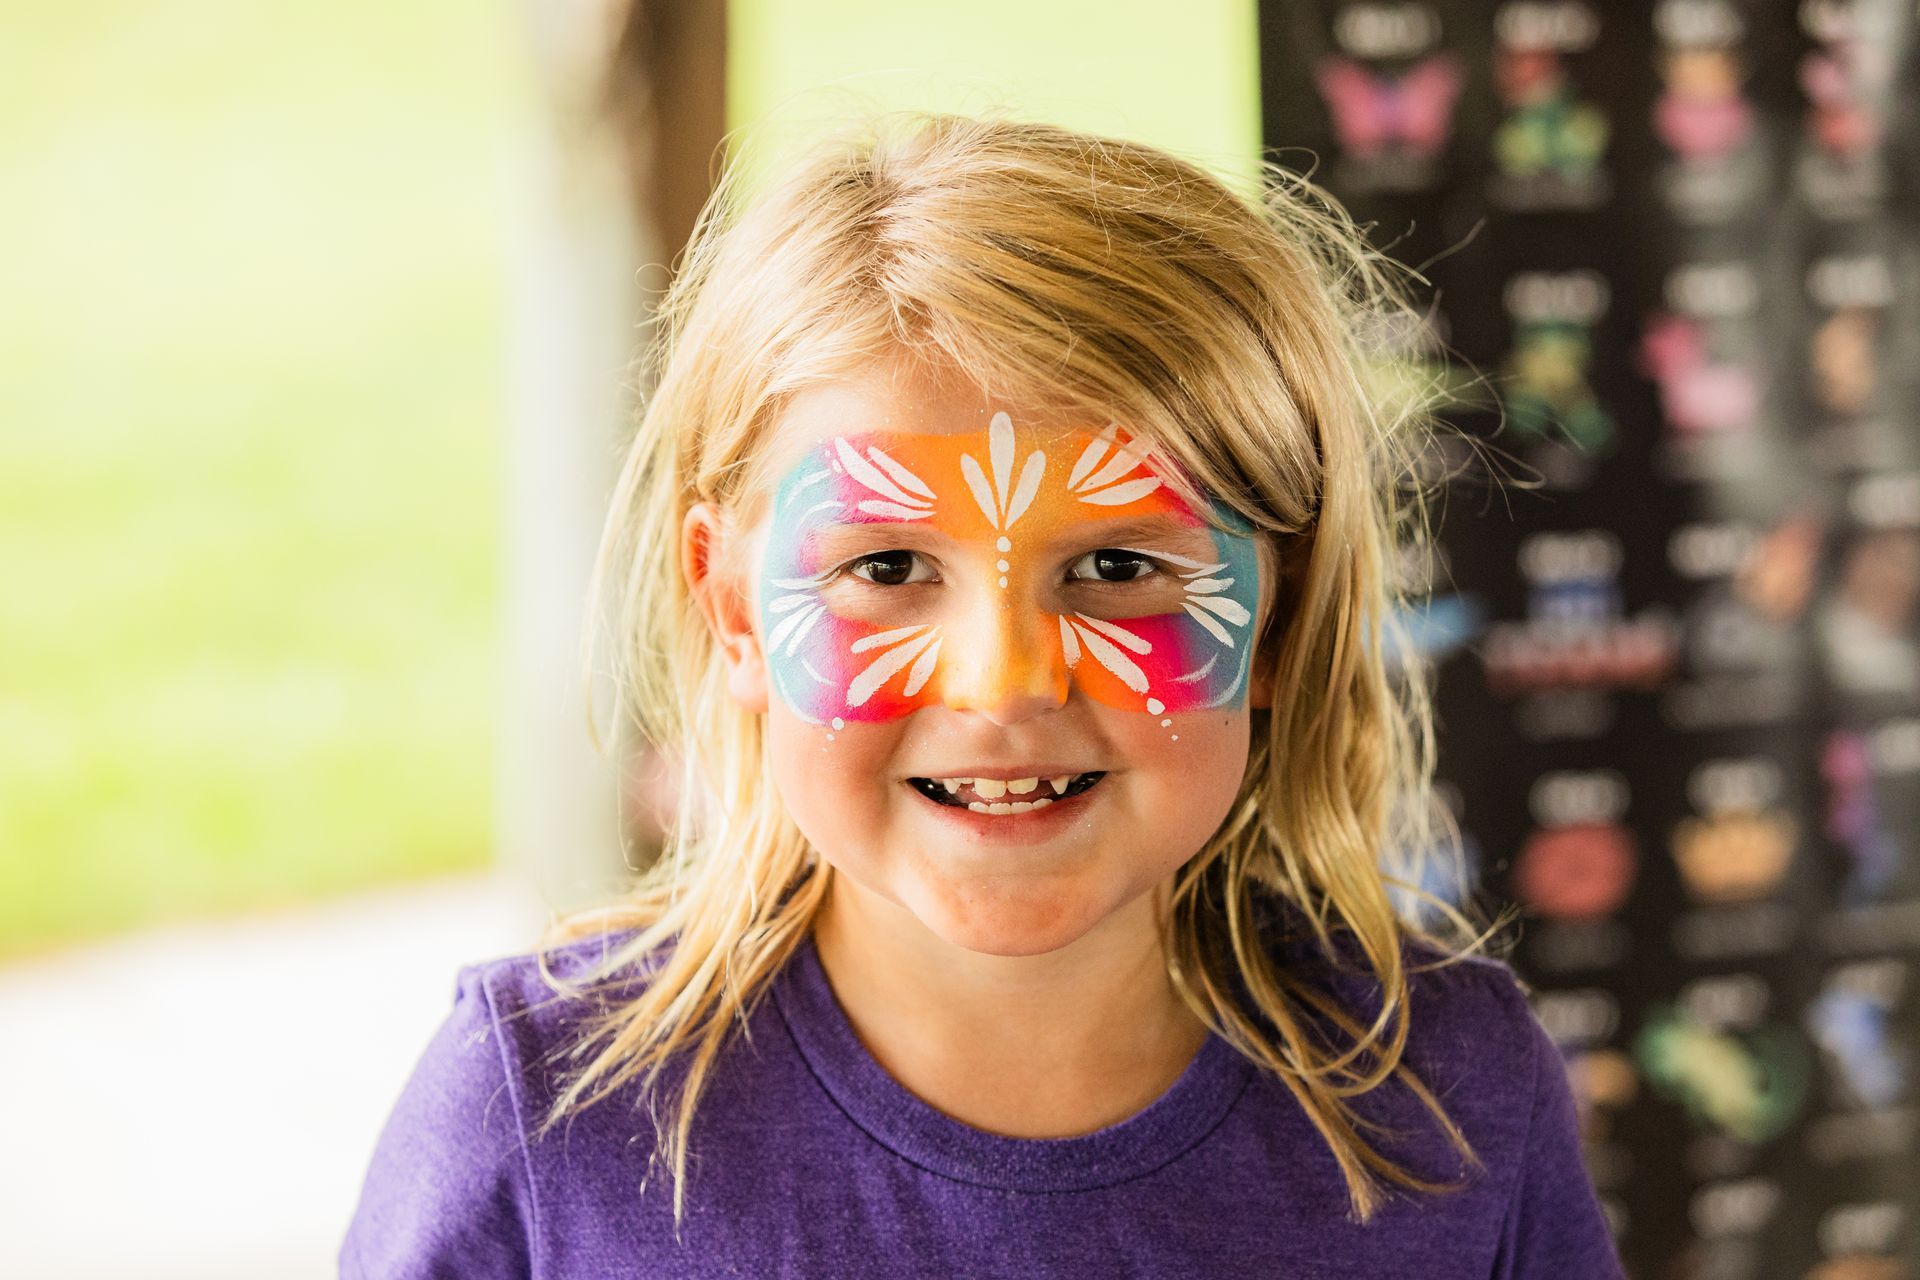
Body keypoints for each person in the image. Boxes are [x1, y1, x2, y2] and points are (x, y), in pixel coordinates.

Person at [340, 112, 1626, 1278]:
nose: (1007, 679)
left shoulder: (1452, 1092)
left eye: (1119, 566)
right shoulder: (541, 1115)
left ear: (1278, 616)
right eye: (887, 566)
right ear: (736, 610)